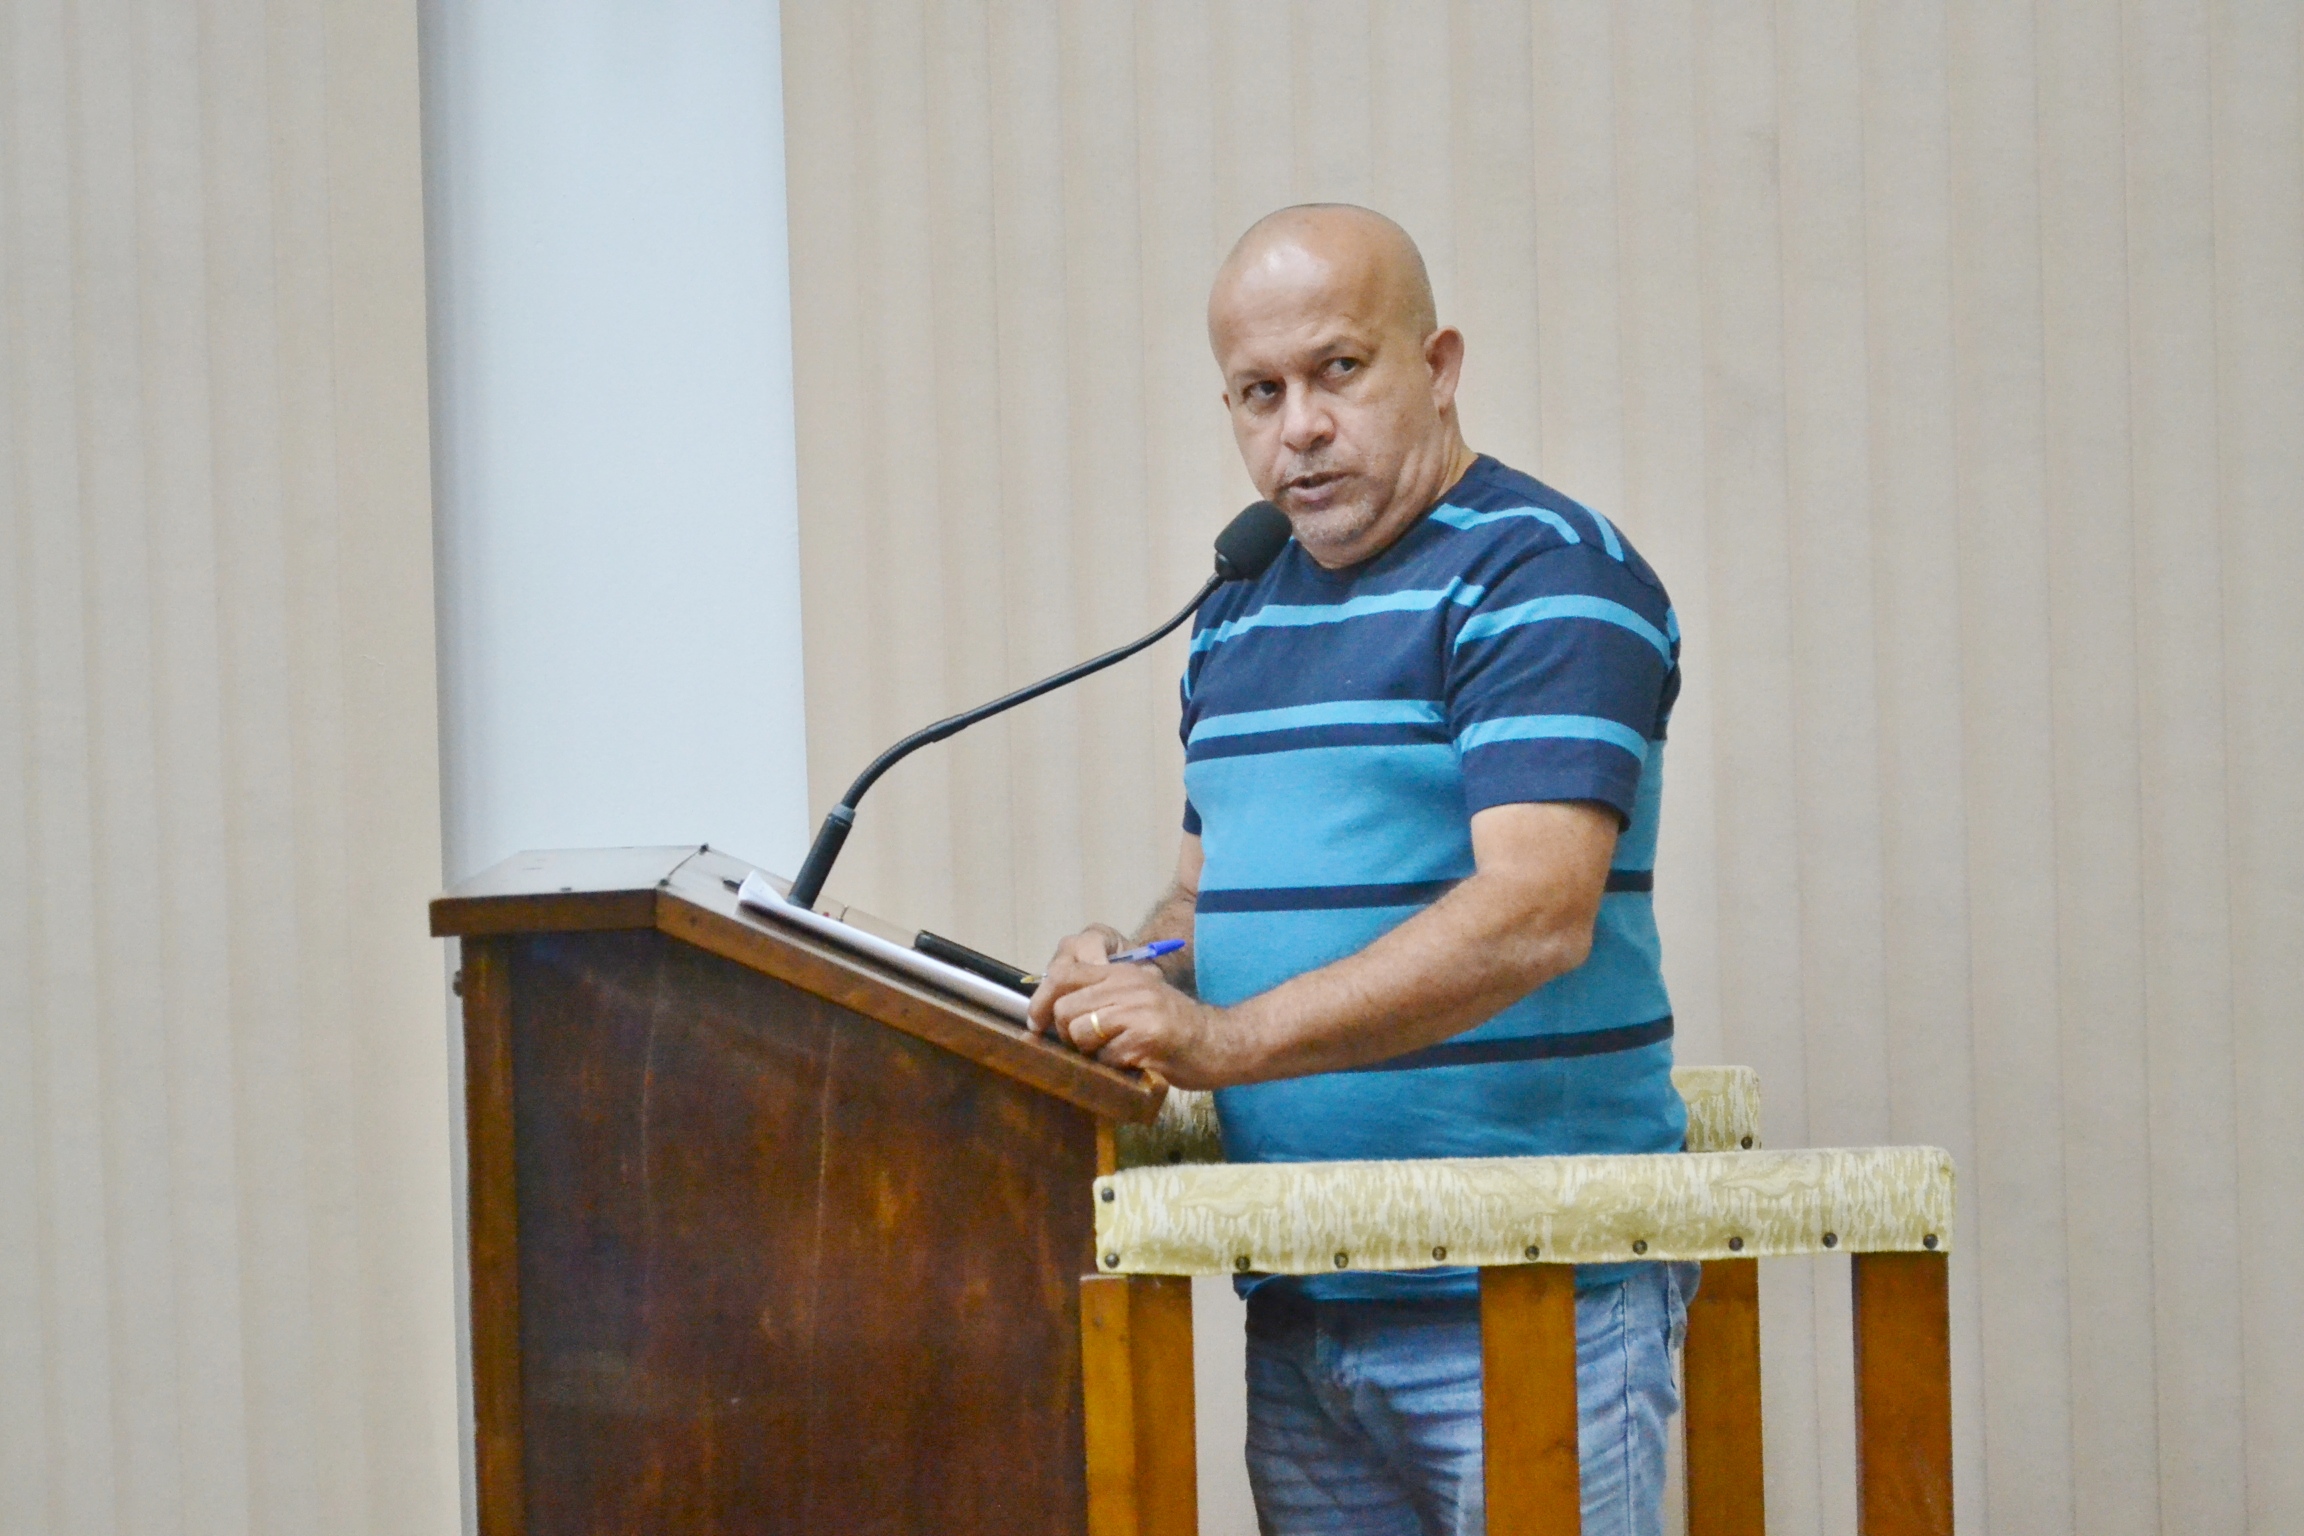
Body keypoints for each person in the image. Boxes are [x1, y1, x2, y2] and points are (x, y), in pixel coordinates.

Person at [1026, 203, 1692, 1536]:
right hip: (1304, 1288)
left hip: (1527, 1285)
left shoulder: (1546, 574)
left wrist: (1221, 1041)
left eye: (1338, 369)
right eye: (1259, 393)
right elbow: (1206, 898)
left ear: (1438, 368)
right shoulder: (1237, 609)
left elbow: (1533, 917)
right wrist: (1136, 967)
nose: (1302, 428)